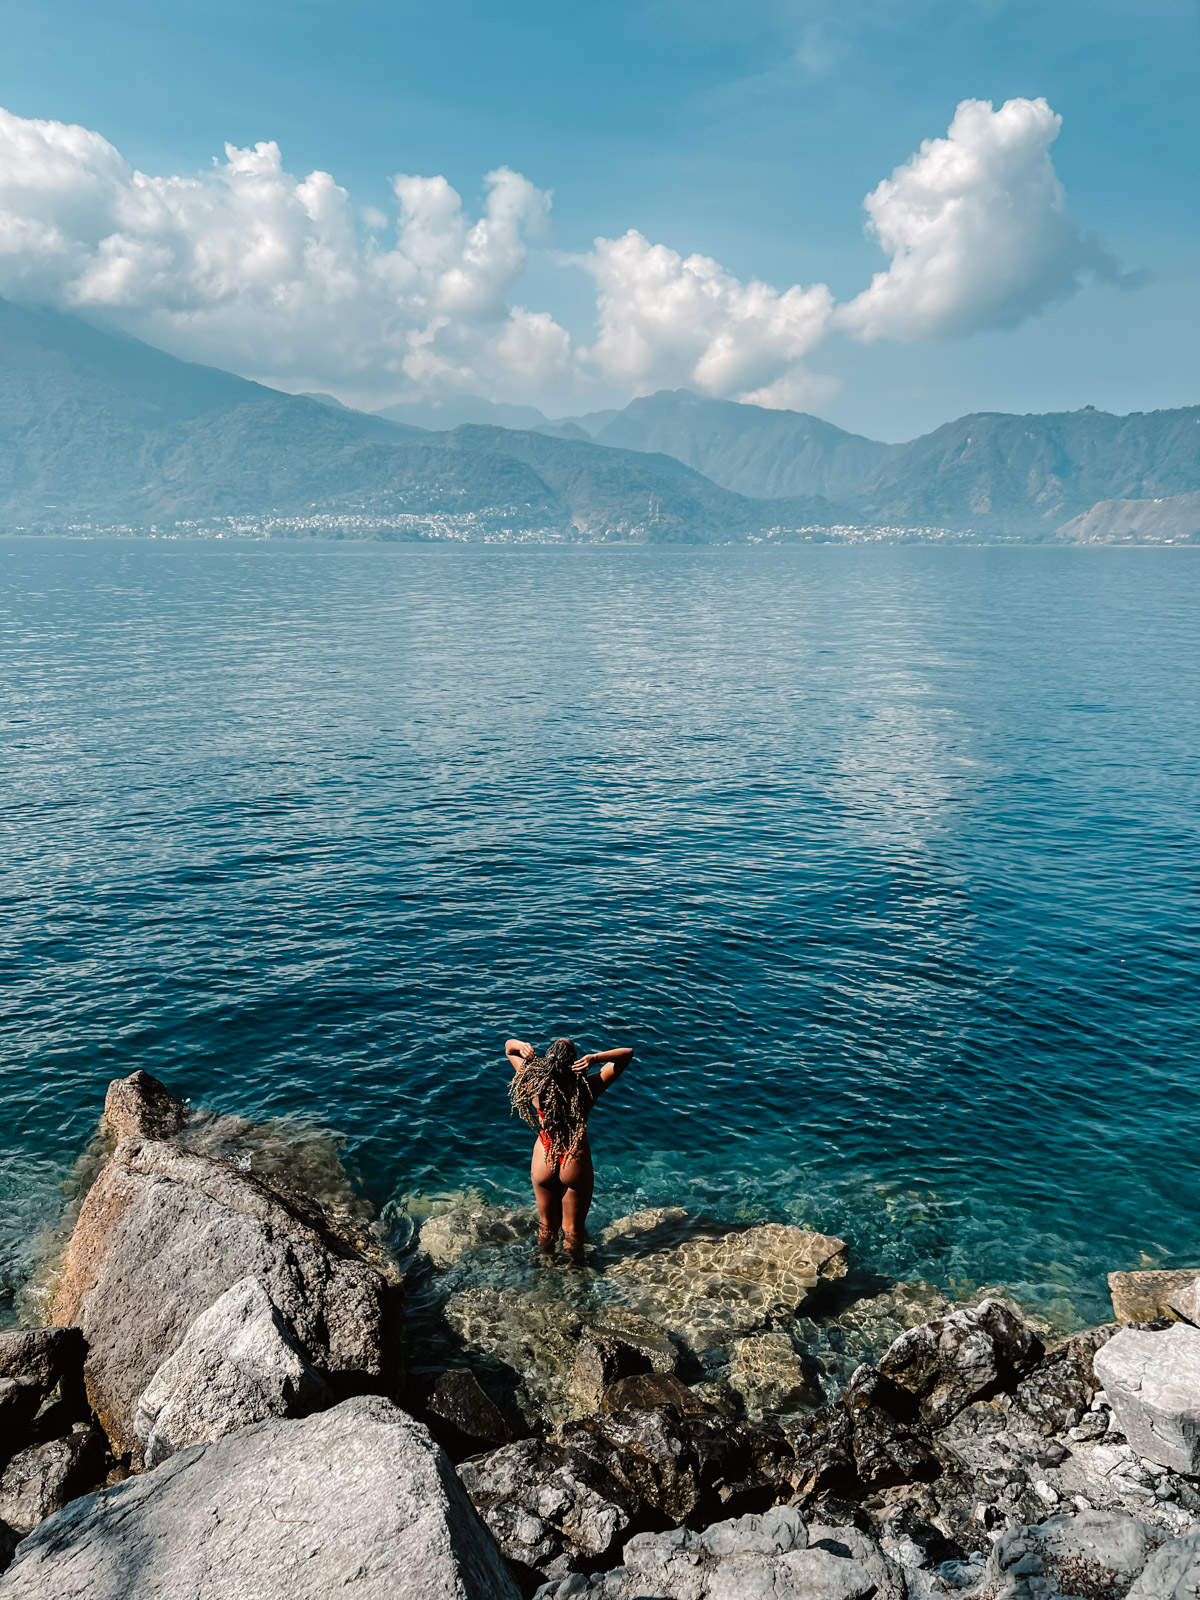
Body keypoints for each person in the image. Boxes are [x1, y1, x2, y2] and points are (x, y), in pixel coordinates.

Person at [505, 1035, 634, 1258]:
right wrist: (595, 1058)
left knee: (547, 1226)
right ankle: (573, 1273)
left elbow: (509, 1049)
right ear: (575, 1064)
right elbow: (626, 1055)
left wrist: (521, 1046)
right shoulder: (588, 1089)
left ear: (548, 1062)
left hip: (545, 1154)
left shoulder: (532, 1082)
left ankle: (545, 1264)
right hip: (574, 1157)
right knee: (572, 1230)